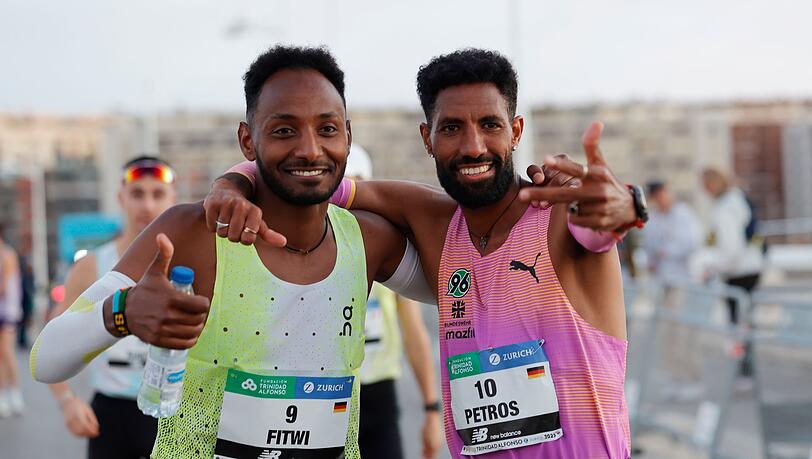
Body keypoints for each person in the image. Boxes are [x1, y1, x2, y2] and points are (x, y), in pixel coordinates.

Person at [208, 49, 645, 458]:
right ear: (427, 138)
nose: (473, 146)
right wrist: (231, 185)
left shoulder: (560, 215)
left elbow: (601, 220)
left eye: (490, 125)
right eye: (452, 128)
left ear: (515, 132)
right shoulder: (434, 222)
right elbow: (311, 172)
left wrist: (629, 204)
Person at [31, 45, 434, 459]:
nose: (310, 149)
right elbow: (46, 361)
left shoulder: (369, 241)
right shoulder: (194, 232)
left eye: (327, 129)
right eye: (283, 130)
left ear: (348, 135)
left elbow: (459, 289)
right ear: (247, 139)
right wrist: (123, 310)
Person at [46, 156, 178, 458]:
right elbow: (51, 339)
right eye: (137, 194)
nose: (147, 205)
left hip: (173, 411)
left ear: (173, 199)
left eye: (157, 194)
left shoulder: (192, 262)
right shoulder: (92, 266)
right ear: (121, 198)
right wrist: (67, 401)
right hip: (112, 413)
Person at [343, 144, 442, 459]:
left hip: (379, 393)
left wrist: (431, 409)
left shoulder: (385, 252)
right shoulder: (313, 255)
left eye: (356, 189)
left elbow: (414, 333)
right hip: (328, 396)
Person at [701, 167, 764, 324]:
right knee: (747, 323)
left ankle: (743, 349)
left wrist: (712, 268)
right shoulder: (737, 200)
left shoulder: (725, 208)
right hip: (750, 266)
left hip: (738, 271)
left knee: (739, 327)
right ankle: (747, 348)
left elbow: (731, 249)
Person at [642, 180, 702, 288]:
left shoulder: (683, 214)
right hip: (659, 278)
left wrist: (666, 251)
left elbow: (692, 242)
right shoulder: (653, 218)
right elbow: (649, 246)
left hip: (682, 277)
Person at [0, 224, 24, 417]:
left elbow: (5, 287)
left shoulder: (7, 254)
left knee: (7, 353)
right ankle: (3, 395)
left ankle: (15, 393)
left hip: (7, 312)